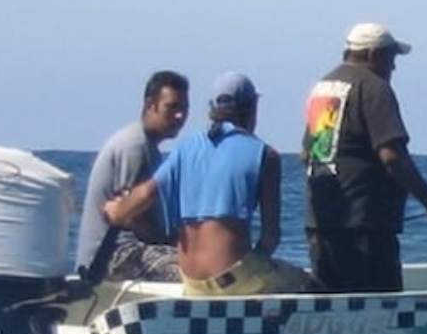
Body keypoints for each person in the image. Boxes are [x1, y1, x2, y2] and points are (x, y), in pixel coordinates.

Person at [105, 73, 316, 297]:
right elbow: (270, 237)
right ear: (251, 109)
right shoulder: (265, 155)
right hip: (234, 279)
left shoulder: (186, 147)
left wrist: (117, 211)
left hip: (192, 280)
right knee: (308, 283)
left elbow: (146, 193)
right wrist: (258, 265)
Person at [302, 22, 427, 293]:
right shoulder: (374, 89)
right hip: (364, 228)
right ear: (373, 54)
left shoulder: (323, 89)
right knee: (377, 309)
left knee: (332, 309)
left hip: (321, 225)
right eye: (391, 57)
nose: (393, 66)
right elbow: (392, 156)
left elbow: (307, 154)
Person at [75, 70, 189, 283]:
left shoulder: (149, 147)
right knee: (194, 272)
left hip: (130, 249)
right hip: (111, 256)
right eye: (172, 107)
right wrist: (167, 242)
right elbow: (133, 215)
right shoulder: (134, 146)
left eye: (184, 109)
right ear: (150, 105)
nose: (180, 116)